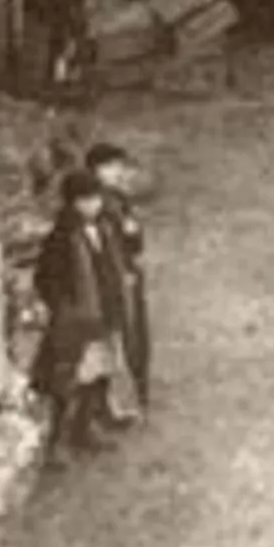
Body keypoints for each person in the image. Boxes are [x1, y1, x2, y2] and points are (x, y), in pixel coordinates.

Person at [31, 170, 135, 463]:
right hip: (77, 322)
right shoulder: (62, 237)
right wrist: (66, 308)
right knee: (69, 380)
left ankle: (87, 428)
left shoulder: (102, 227)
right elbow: (45, 279)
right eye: (87, 200)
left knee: (100, 373)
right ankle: (58, 443)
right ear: (73, 202)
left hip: (105, 313)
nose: (95, 204)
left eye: (97, 198)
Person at [85, 142, 151, 419]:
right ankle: (112, 404)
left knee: (134, 337)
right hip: (109, 282)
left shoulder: (118, 199)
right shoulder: (93, 204)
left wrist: (133, 232)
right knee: (115, 340)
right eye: (110, 167)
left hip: (126, 277)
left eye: (119, 166)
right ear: (95, 169)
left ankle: (134, 394)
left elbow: (136, 244)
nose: (117, 172)